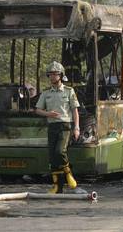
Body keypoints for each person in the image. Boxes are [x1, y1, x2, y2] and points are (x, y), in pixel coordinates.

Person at [35, 61, 80, 194]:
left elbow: (75, 110)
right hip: (52, 126)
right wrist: (48, 113)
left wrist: (76, 128)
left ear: (61, 75)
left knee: (60, 151)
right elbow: (37, 110)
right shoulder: (46, 93)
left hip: (65, 125)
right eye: (50, 74)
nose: (52, 77)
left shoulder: (69, 91)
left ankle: (68, 173)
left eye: (55, 74)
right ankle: (57, 186)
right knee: (53, 157)